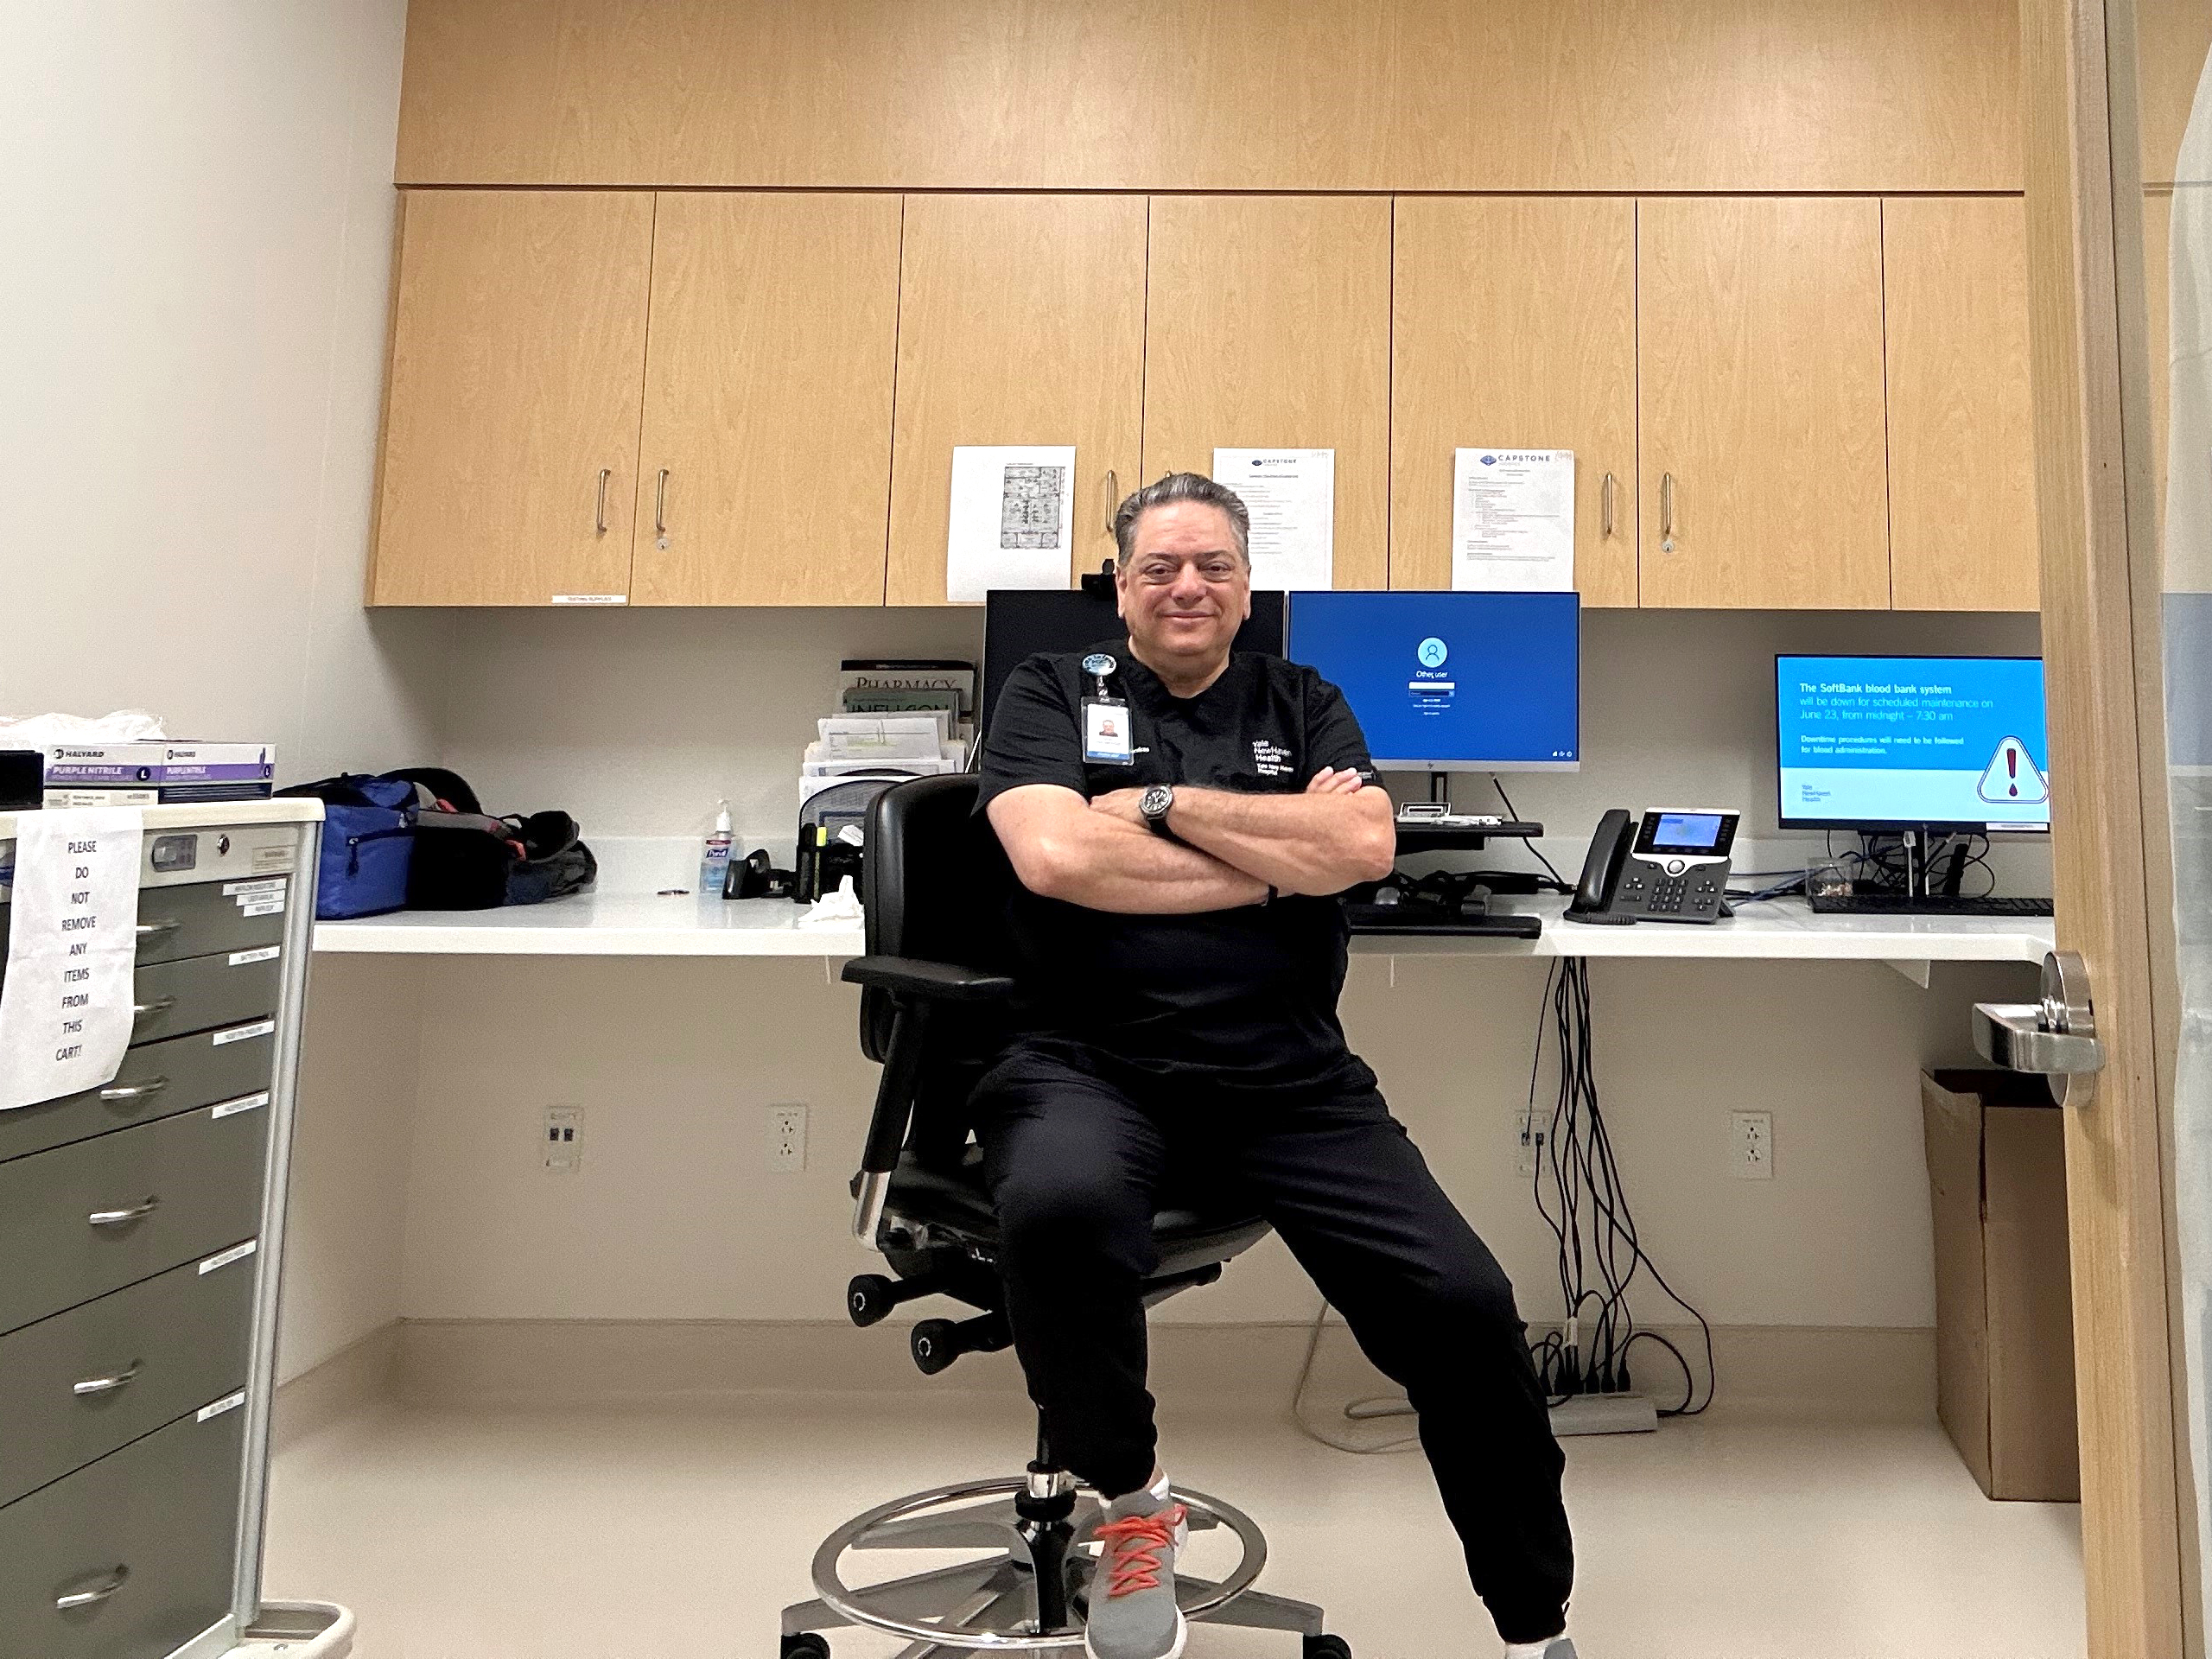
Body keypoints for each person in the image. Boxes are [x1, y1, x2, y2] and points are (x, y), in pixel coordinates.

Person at [974, 472, 1578, 1659]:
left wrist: (1146, 803)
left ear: (1247, 590)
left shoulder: (1304, 700)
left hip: (1287, 1078)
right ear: (1122, 587)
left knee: (1464, 1305)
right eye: (1159, 568)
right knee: (1055, 1209)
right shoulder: (1051, 688)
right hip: (1085, 1063)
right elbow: (1051, 854)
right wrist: (1268, 861)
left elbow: (1358, 844)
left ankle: (1533, 1622)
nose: (1187, 587)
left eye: (1212, 568)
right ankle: (1134, 1495)